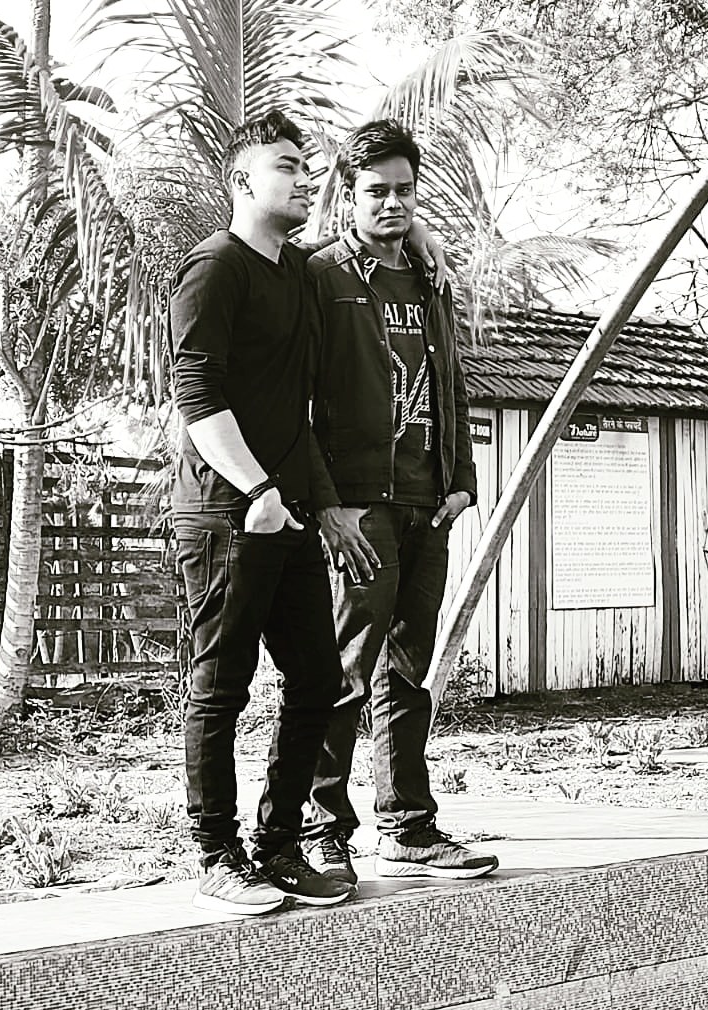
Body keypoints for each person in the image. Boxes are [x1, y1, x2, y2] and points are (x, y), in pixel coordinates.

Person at [303, 120, 500, 884]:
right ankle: (321, 830)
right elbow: (299, 401)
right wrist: (328, 503)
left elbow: (452, 383)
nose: (392, 203)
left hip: (428, 501)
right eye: (376, 191)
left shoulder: (428, 279)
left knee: (409, 673)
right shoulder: (322, 276)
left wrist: (463, 478)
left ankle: (408, 826)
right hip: (361, 506)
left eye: (404, 191)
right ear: (348, 197)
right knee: (347, 670)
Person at [169, 111, 354, 915]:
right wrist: (257, 490)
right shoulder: (215, 268)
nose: (305, 178)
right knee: (221, 687)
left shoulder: (297, 275)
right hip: (226, 514)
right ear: (242, 181)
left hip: (287, 511)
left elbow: (296, 408)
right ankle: (216, 855)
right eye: (286, 166)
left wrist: (315, 503)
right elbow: (196, 394)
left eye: (306, 167)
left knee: (318, 679)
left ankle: (279, 845)